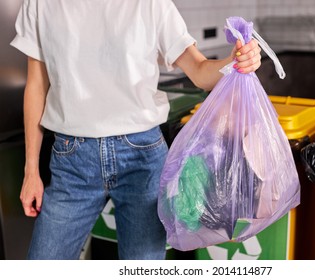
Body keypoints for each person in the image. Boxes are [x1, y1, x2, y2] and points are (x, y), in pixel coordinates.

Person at [10, 0, 261, 260]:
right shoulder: (40, 3)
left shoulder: (152, 3)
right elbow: (37, 85)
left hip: (143, 159)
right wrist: (31, 171)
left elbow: (199, 71)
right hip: (72, 164)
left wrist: (234, 62)